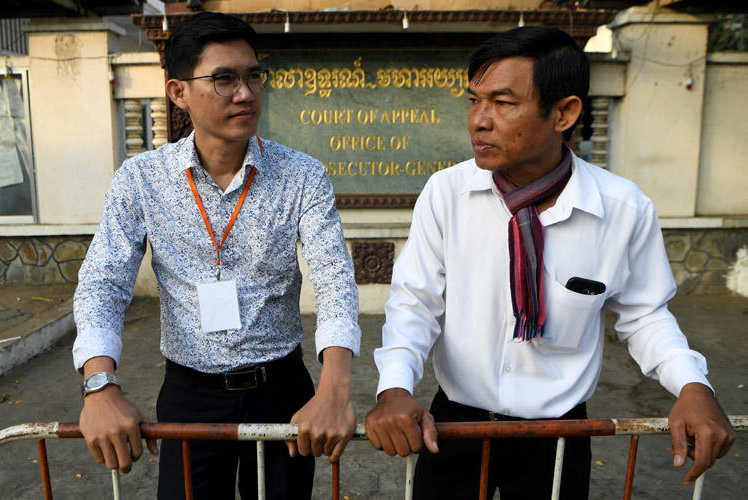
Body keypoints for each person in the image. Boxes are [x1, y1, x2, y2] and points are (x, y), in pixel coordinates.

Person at [365, 26, 735, 499]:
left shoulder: (621, 209)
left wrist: (692, 386)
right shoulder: (447, 193)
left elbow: (644, 315)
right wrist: (394, 388)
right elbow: (415, 303)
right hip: (455, 427)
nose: (479, 120)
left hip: (558, 437)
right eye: (474, 100)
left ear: (564, 113)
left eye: (502, 103)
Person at [73, 12, 360, 500]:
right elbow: (104, 280)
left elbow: (334, 279)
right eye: (223, 79)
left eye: (252, 76)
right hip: (190, 393)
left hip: (282, 389)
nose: (245, 93)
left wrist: (333, 389)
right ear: (179, 92)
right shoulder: (142, 179)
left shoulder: (302, 176)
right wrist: (100, 385)